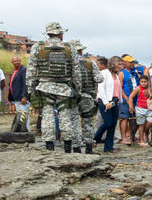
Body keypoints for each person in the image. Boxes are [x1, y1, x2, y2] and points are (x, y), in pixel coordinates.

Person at [26, 22, 82, 152]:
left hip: (45, 87)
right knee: (65, 117)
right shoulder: (69, 48)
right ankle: (67, 147)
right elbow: (76, 72)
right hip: (65, 88)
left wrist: (30, 89)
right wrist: (77, 90)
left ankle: (49, 147)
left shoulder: (38, 47)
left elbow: (31, 70)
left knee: (47, 116)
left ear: (48, 33)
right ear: (60, 34)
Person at [69, 40, 97, 153]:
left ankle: (76, 149)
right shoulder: (91, 63)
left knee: (74, 122)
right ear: (80, 50)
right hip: (88, 96)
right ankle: (89, 149)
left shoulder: (69, 63)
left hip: (72, 96)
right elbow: (99, 78)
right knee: (87, 122)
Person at [93, 56, 121, 153]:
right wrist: (106, 102)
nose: (121, 66)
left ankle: (108, 147)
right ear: (114, 63)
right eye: (119, 64)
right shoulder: (104, 73)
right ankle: (95, 139)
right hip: (105, 100)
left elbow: (117, 90)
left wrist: (118, 100)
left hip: (115, 101)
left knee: (113, 124)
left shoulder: (116, 75)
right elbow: (101, 88)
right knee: (108, 122)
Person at [6, 54, 28, 132]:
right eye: (14, 61)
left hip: (21, 97)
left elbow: (25, 83)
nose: (16, 62)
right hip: (16, 98)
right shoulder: (15, 71)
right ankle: (22, 130)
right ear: (12, 62)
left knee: (23, 115)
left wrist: (24, 96)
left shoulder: (23, 70)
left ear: (20, 61)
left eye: (17, 60)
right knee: (19, 115)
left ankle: (25, 131)